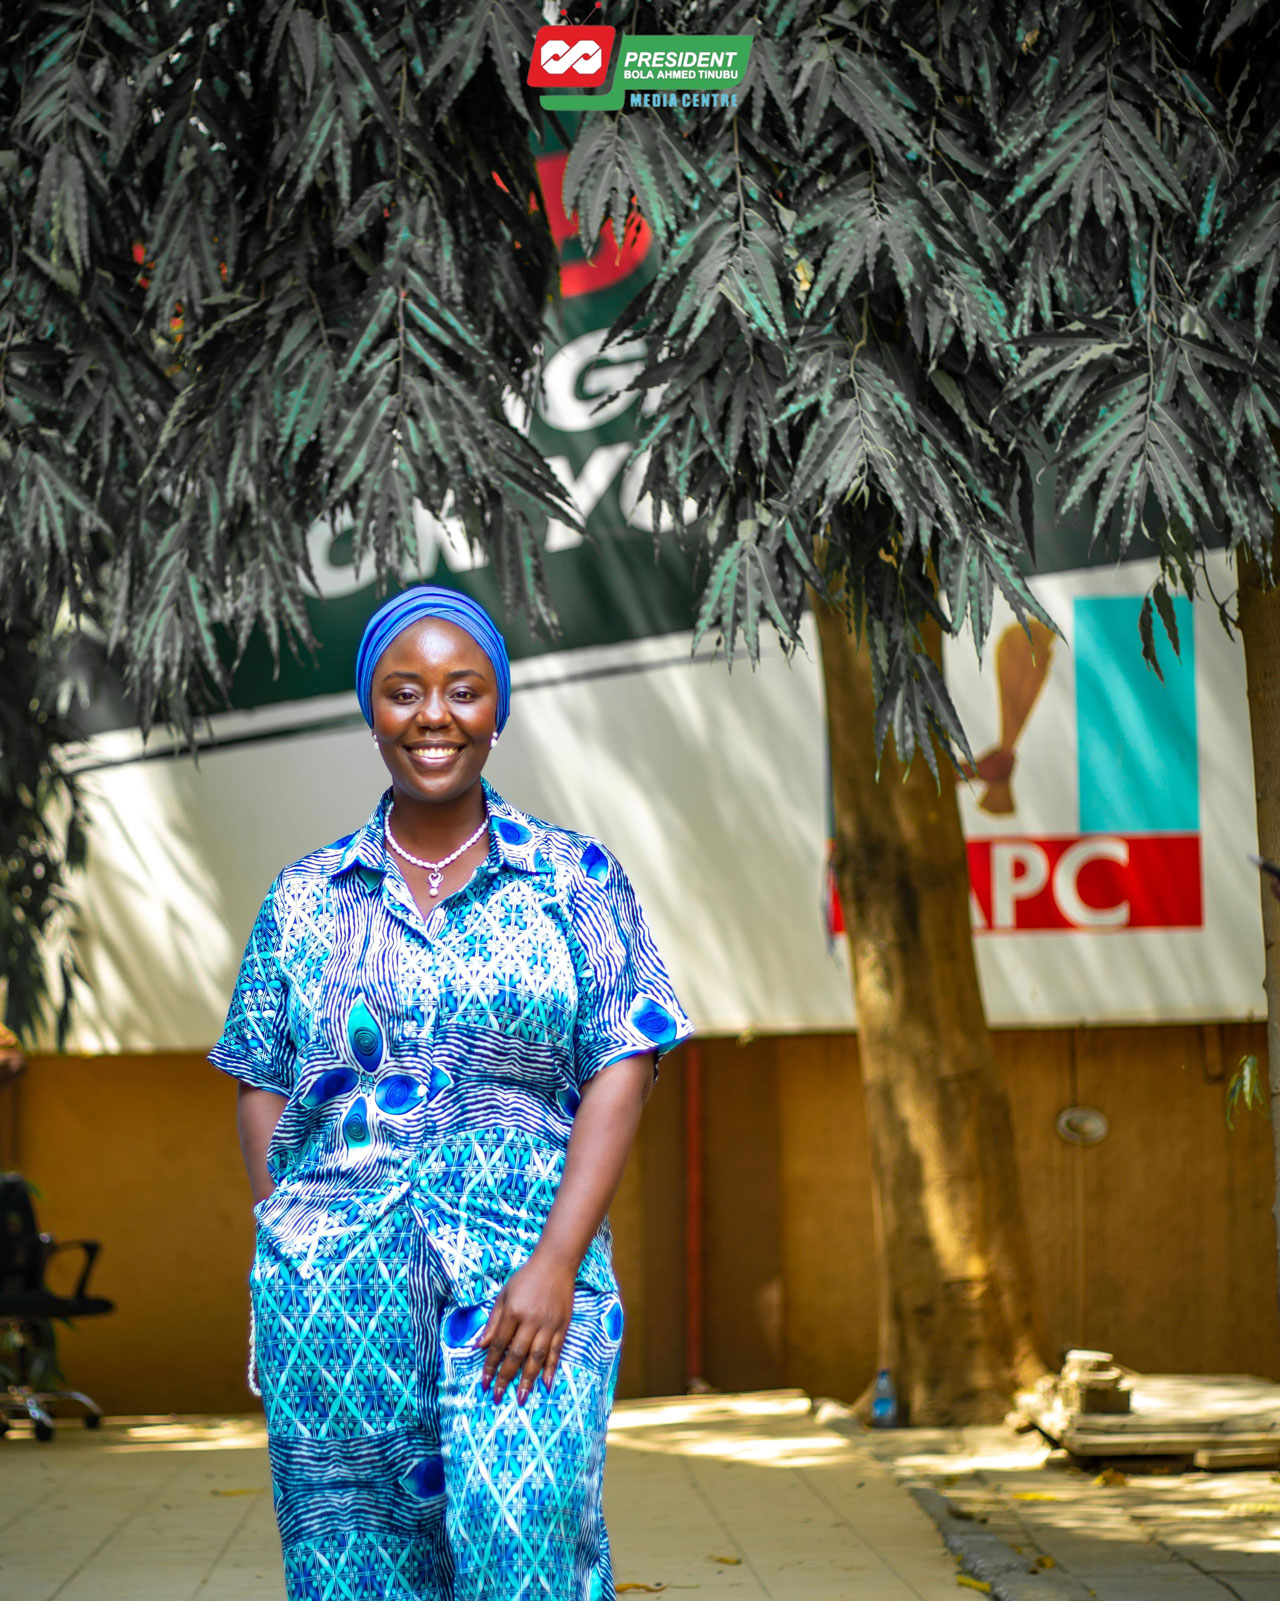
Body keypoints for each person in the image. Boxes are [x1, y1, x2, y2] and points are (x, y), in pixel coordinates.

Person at [210, 586, 691, 1601]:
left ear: (497, 708)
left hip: (526, 1293)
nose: (434, 714)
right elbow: (261, 1074)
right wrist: (290, 1238)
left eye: (463, 690)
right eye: (405, 691)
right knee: (355, 1573)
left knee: (529, 1557)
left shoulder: (573, 878)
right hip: (335, 1306)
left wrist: (556, 1262)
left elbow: (625, 1059)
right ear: (372, 711)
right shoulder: (303, 897)